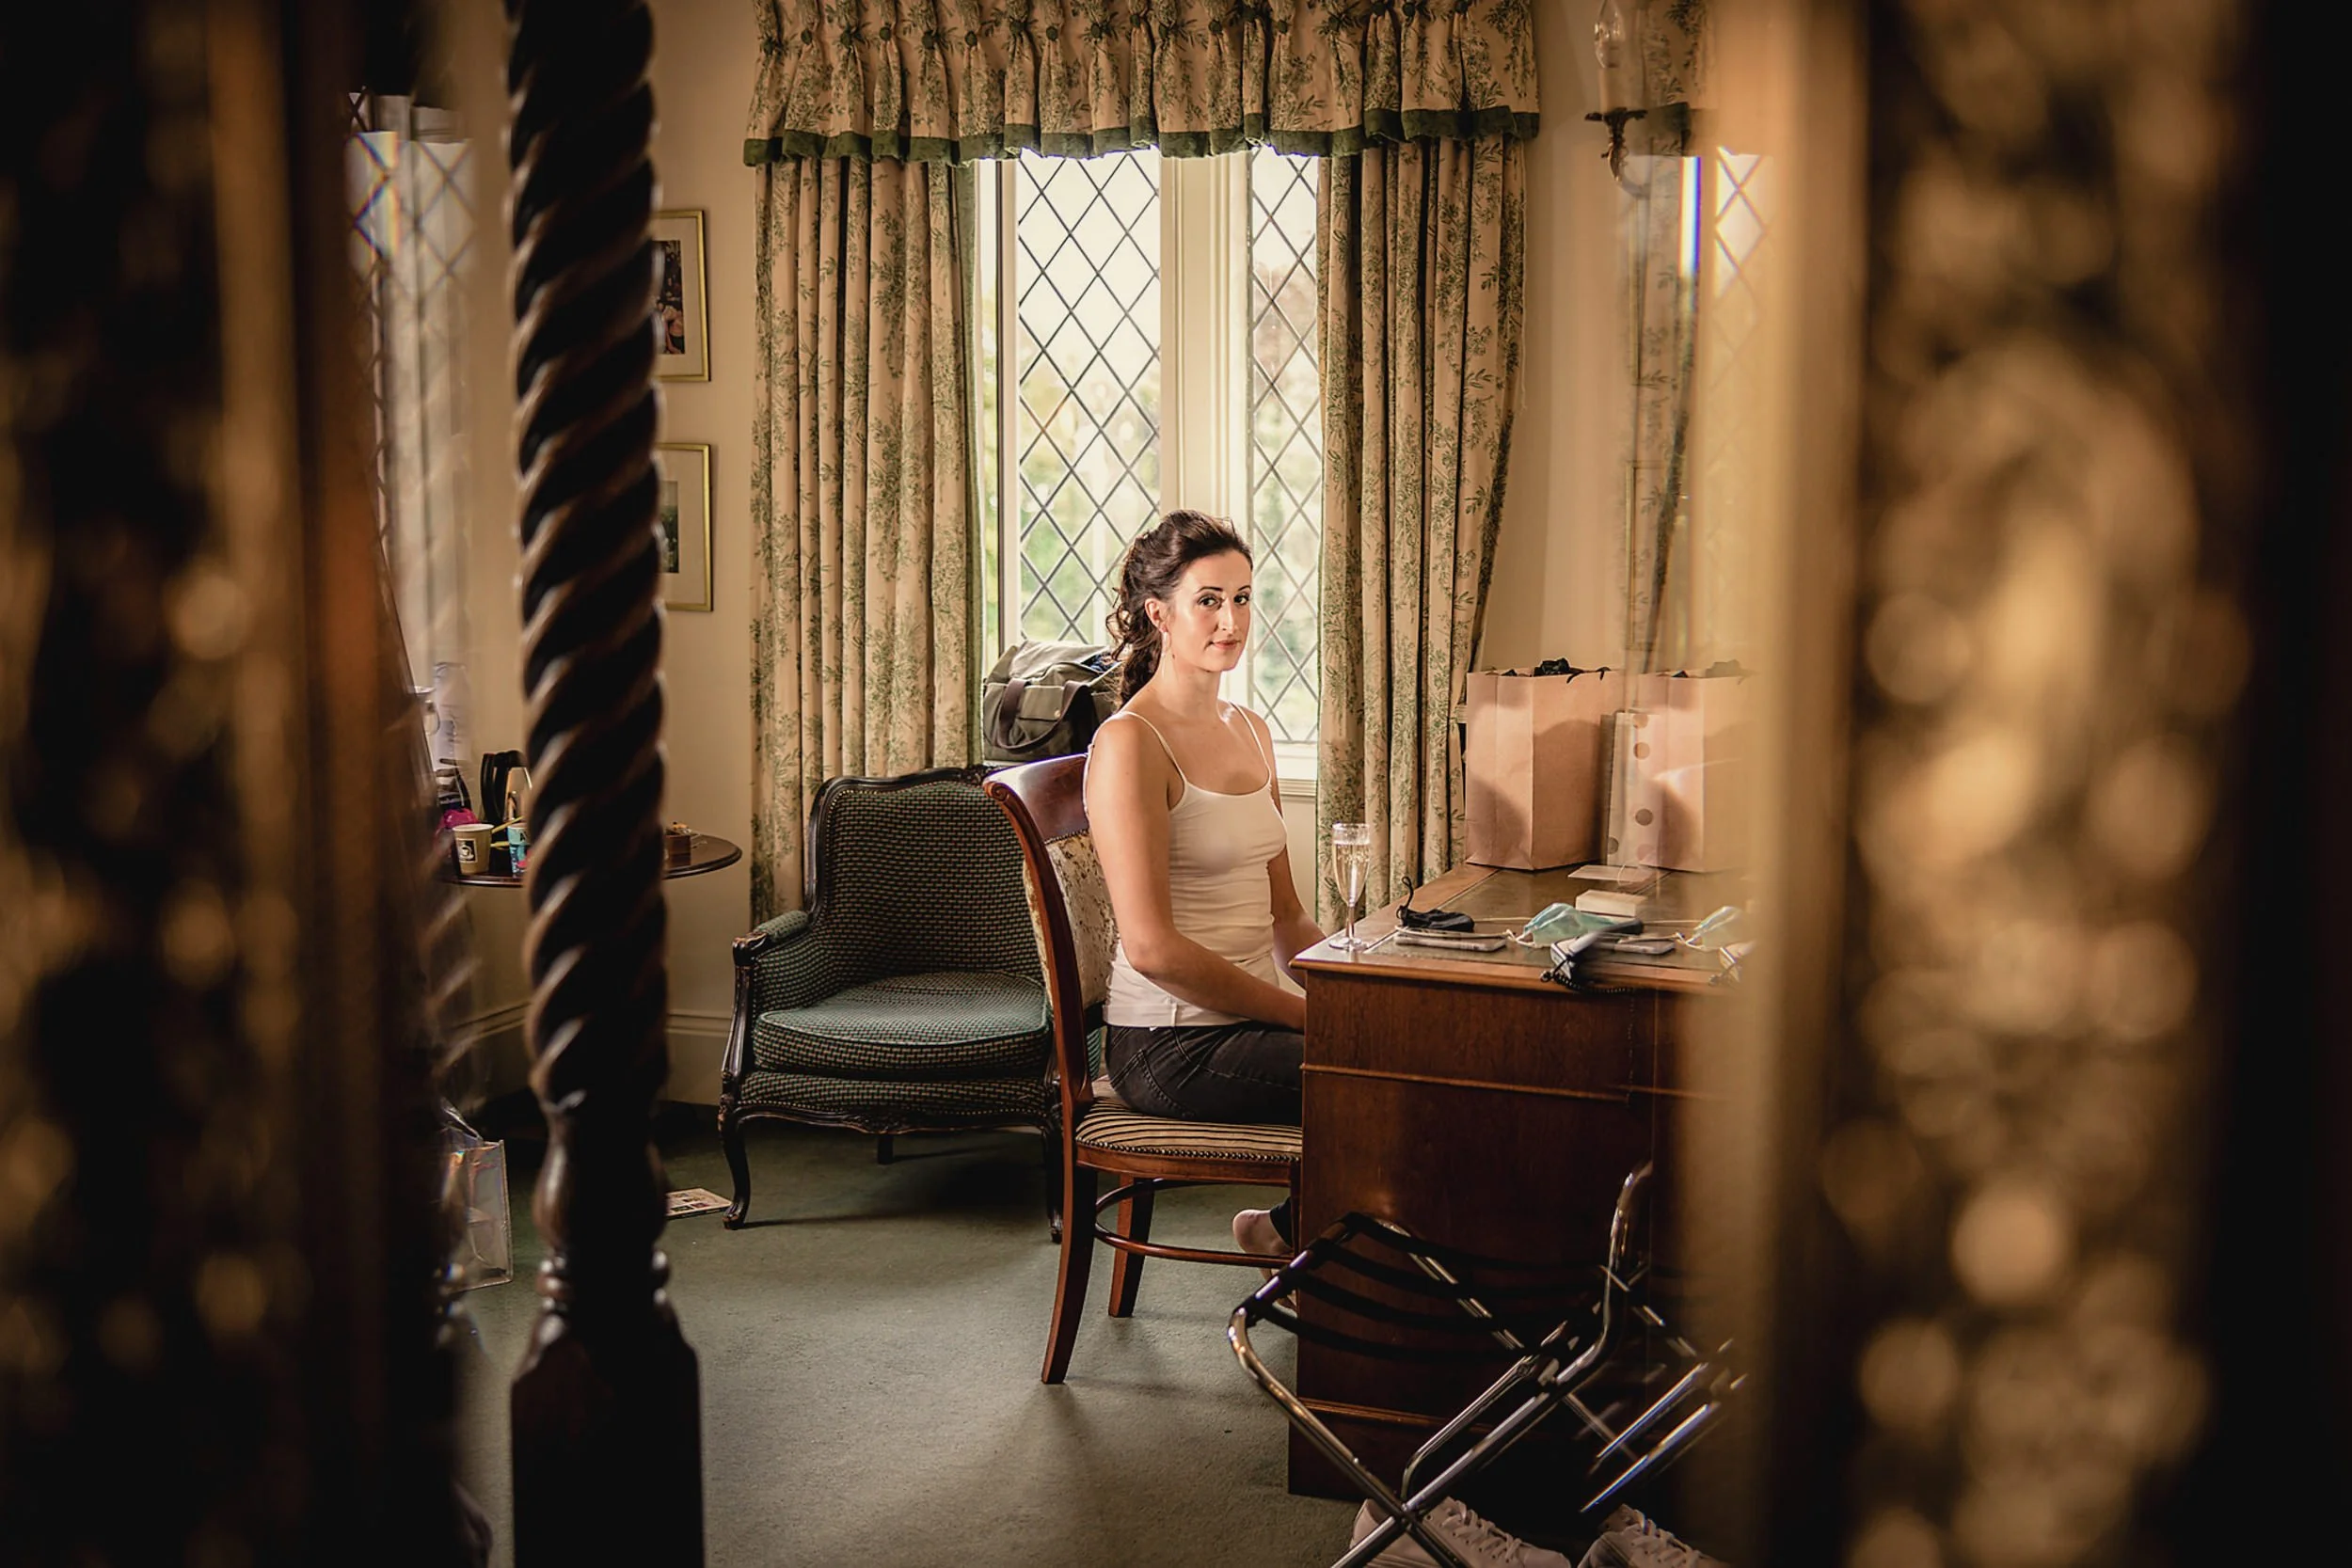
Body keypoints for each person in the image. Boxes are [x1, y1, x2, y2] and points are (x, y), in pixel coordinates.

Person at [1085, 510, 1327, 1259]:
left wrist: (1351, 996)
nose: (1232, 620)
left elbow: (1288, 915)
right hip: (1169, 1042)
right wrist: (1298, 1017)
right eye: (1210, 600)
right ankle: (1305, 1253)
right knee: (1383, 1087)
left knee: (1401, 1054)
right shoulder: (1131, 743)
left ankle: (1300, 1240)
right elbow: (1153, 949)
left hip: (1249, 1024)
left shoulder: (1252, 730)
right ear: (1159, 613)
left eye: (1245, 598)